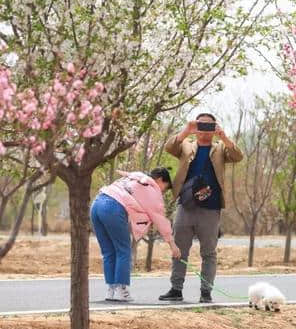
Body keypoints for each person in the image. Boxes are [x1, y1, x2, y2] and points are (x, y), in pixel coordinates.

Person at [159, 113, 243, 302]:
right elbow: (169, 147)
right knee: (179, 249)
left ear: (215, 127)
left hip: (211, 208)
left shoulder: (220, 148)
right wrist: (186, 130)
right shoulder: (187, 144)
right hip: (186, 206)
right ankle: (176, 289)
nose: (205, 129)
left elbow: (238, 156)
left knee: (209, 252)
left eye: (209, 125)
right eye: (201, 125)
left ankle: (206, 292)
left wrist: (223, 136)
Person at [90, 167, 181, 302]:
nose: (163, 191)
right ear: (160, 180)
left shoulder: (133, 178)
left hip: (96, 205)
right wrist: (172, 245)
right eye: (165, 187)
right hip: (112, 207)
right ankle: (122, 290)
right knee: (123, 250)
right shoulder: (151, 189)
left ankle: (111, 290)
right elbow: (160, 220)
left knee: (109, 251)